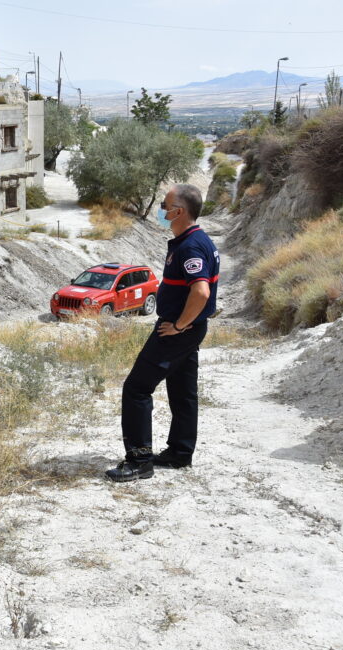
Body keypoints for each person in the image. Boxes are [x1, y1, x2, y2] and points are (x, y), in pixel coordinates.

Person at [106, 184, 220, 482]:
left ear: (179, 211)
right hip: (189, 330)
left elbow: (201, 292)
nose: (161, 209)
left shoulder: (191, 246)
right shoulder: (195, 240)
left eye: (165, 204)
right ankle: (180, 452)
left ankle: (139, 460)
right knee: (183, 392)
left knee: (136, 388)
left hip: (177, 331)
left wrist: (180, 325)